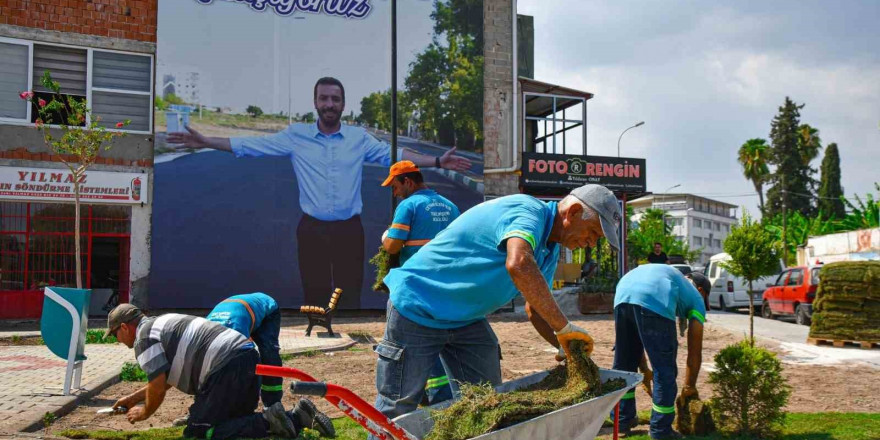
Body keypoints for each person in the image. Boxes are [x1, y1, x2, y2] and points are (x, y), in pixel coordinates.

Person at [167, 77, 472, 309]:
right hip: (311, 229)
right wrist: (207, 141)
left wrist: (436, 161)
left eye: (335, 99)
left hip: (350, 230)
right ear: (315, 102)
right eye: (324, 98)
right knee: (313, 291)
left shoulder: (357, 138)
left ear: (343, 104)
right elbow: (251, 146)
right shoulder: (296, 136)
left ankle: (350, 339)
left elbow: (395, 155)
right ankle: (318, 334)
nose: (329, 104)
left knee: (350, 291)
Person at [371, 184, 621, 430]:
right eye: (593, 233)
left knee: (487, 403)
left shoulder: (549, 248)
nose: (590, 243)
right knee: (397, 408)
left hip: (466, 319)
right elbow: (519, 264)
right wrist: (565, 327)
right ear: (574, 212)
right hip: (418, 306)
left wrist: (565, 344)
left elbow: (535, 308)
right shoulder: (527, 210)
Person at [105, 304, 332, 440]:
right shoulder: (160, 322)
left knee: (199, 431)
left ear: (125, 327)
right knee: (233, 420)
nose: (117, 340)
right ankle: (295, 417)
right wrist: (132, 398)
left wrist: (144, 412)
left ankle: (276, 419)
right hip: (243, 356)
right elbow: (165, 379)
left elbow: (157, 384)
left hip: (225, 367)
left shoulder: (143, 338)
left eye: (115, 334)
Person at [380, 160, 461, 405]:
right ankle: (442, 396)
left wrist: (386, 237)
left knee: (408, 344)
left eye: (395, 186)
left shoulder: (409, 205)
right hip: (446, 286)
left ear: (408, 181)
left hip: (416, 288)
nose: (394, 193)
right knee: (441, 339)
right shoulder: (450, 206)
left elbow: (393, 245)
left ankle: (418, 396)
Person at [611, 265, 711, 439]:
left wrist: (644, 370)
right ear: (701, 290)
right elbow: (694, 352)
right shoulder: (696, 298)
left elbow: (635, 346)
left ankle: (622, 421)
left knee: (624, 363)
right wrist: (690, 386)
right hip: (655, 295)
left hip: (623, 292)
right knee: (665, 370)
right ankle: (660, 429)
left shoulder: (675, 279)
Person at [206, 292, 285, 407]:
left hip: (267, 309)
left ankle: (273, 402)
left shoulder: (236, 333)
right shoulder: (205, 330)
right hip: (240, 309)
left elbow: (250, 359)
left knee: (268, 354)